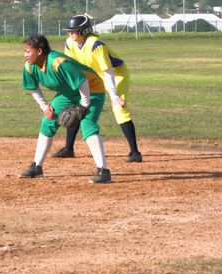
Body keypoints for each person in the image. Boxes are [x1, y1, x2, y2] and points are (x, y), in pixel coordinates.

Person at [18, 34, 111, 183]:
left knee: (88, 123)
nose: (25, 55)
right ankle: (37, 167)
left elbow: (83, 82)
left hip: (92, 88)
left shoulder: (58, 62)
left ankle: (103, 171)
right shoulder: (30, 66)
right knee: (48, 120)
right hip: (68, 92)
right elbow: (32, 88)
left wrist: (84, 105)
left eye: (28, 51)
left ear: (39, 51)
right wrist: (44, 106)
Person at [52, 15, 142, 162]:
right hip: (93, 76)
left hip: (116, 74)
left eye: (74, 31)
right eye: (69, 31)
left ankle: (135, 153)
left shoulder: (95, 44)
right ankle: (69, 149)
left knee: (119, 109)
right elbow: (71, 66)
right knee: (77, 106)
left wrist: (113, 96)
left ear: (84, 30)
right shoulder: (69, 43)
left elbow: (108, 71)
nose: (70, 34)